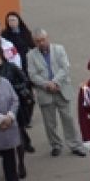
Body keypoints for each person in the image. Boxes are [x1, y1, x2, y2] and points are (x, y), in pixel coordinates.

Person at [24, 30, 82, 158]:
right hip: (45, 92)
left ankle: (75, 145)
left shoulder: (59, 49)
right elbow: (32, 75)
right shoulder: (30, 55)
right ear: (34, 42)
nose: (41, 43)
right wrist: (46, 84)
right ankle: (56, 145)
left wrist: (55, 82)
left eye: (43, 40)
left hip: (62, 89)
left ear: (47, 38)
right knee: (50, 123)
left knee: (68, 119)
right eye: (38, 41)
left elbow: (65, 67)